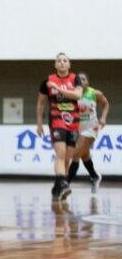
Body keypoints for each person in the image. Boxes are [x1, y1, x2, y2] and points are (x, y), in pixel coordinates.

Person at [36, 53, 83, 202]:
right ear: (55, 65)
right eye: (59, 61)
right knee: (60, 155)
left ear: (69, 64)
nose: (62, 63)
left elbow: (77, 95)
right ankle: (63, 183)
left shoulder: (75, 78)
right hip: (57, 121)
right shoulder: (47, 81)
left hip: (73, 122)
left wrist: (58, 88)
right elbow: (41, 103)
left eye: (65, 60)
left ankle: (57, 188)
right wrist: (39, 123)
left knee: (68, 159)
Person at [67, 72, 109, 194]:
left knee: (76, 155)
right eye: (78, 79)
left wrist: (103, 118)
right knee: (84, 155)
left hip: (91, 127)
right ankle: (95, 176)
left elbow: (106, 104)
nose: (81, 81)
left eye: (83, 79)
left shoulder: (95, 93)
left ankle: (65, 184)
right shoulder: (73, 94)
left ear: (88, 82)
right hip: (78, 127)